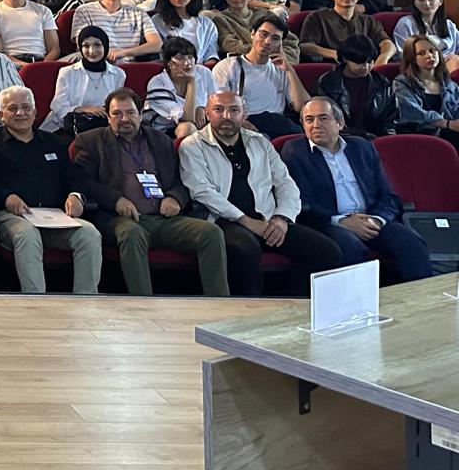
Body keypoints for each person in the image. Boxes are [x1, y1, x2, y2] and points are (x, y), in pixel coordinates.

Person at [179, 91, 343, 296]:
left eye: (234, 110)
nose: (226, 116)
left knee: (328, 252)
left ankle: (286, 301)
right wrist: (246, 220)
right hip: (223, 221)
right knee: (245, 249)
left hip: (268, 219)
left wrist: (282, 218)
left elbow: (285, 183)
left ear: (245, 114)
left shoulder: (260, 142)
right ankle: (250, 309)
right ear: (207, 114)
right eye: (218, 110)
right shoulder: (193, 145)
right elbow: (202, 191)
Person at [72, 89, 229, 296]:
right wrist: (116, 200)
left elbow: (182, 180)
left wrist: (175, 197)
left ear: (140, 114)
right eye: (117, 113)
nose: (124, 119)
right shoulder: (91, 141)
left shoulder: (161, 140)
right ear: (108, 117)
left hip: (164, 218)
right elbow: (83, 182)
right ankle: (143, 302)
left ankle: (218, 302)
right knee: (132, 234)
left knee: (210, 233)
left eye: (130, 112)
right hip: (120, 218)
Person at [283, 98, 433, 282]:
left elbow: (388, 195)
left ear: (340, 123)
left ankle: (420, 297)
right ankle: (358, 300)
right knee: (350, 247)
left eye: (323, 118)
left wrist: (377, 219)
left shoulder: (362, 147)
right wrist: (341, 221)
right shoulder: (295, 151)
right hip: (329, 223)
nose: (316, 125)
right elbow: (303, 203)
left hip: (370, 219)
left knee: (411, 242)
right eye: (309, 119)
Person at [0, 85, 101, 294]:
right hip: (10, 217)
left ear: (35, 113)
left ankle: (86, 300)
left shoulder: (53, 141)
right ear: (2, 115)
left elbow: (75, 178)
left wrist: (75, 196)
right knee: (27, 234)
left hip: (55, 218)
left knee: (89, 234)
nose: (20, 113)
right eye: (12, 108)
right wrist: (5, 196)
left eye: (26, 107)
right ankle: (36, 300)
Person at [212, 16, 309, 136]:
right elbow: (218, 106)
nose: (268, 41)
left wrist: (290, 70)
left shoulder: (282, 69)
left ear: (280, 44)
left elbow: (303, 108)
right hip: (244, 123)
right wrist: (241, 123)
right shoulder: (227, 66)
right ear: (252, 34)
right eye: (263, 34)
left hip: (277, 124)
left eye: (275, 38)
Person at [41, 25, 125, 136]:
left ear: (105, 46)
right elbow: (58, 106)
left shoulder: (118, 74)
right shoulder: (67, 72)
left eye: (97, 45)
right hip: (69, 128)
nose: (91, 51)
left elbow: (118, 106)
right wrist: (81, 109)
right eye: (86, 46)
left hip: (103, 129)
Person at [71, 0, 161, 62]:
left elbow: (157, 44)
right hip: (95, 61)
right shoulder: (84, 11)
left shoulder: (139, 13)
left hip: (128, 63)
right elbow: (82, 44)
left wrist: (123, 53)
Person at [299, 0, 395, 64]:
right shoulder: (316, 18)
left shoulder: (369, 21)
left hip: (364, 67)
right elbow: (305, 46)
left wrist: (383, 58)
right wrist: (337, 54)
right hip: (331, 67)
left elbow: (388, 44)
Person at [316, 34, 397, 138]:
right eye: (360, 63)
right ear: (345, 59)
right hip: (338, 139)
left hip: (375, 139)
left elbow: (390, 122)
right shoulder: (327, 83)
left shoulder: (383, 84)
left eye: (370, 62)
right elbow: (324, 120)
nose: (366, 67)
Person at [212, 0, 301, 63]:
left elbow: (289, 39)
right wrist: (266, 50)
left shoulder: (265, 14)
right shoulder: (220, 19)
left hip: (276, 59)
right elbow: (229, 44)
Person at [144, 37, 216, 141]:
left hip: (201, 126)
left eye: (190, 57)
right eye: (180, 58)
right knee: (187, 128)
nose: (187, 63)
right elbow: (187, 118)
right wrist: (191, 82)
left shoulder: (204, 72)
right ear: (169, 63)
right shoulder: (157, 83)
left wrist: (202, 107)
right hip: (165, 131)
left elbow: (217, 101)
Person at [393, 34, 459, 146]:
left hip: (448, 133)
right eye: (421, 53)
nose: (429, 56)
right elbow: (411, 112)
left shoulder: (449, 84)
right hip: (418, 136)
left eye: (432, 51)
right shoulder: (402, 83)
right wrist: (447, 123)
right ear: (412, 59)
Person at [392, 0, 459, 72]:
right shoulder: (405, 24)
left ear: (440, 1)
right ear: (415, 3)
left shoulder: (449, 25)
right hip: (420, 70)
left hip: (451, 66)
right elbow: (403, 55)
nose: (426, 3)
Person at [151, 0, 219, 64]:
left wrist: (203, 69)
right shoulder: (157, 21)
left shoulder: (206, 23)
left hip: (201, 68)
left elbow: (211, 54)